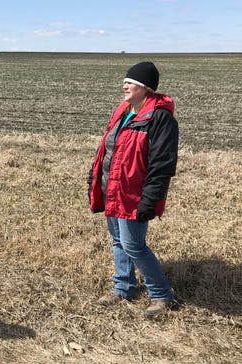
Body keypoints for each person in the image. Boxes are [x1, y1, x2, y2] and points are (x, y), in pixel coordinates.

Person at [87, 61, 179, 317]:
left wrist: (149, 200)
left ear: (146, 88)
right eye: (125, 81)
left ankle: (161, 295)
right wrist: (93, 178)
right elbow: (107, 148)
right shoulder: (123, 111)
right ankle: (123, 288)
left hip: (133, 195)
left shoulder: (160, 118)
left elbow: (162, 164)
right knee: (118, 241)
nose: (124, 85)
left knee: (134, 245)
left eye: (131, 82)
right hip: (112, 188)